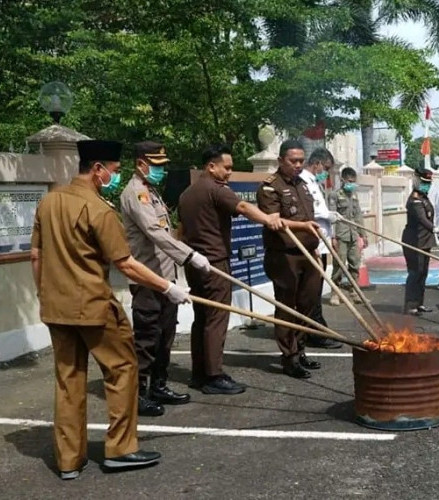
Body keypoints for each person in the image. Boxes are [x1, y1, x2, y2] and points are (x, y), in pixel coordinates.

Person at [30, 140, 191, 479]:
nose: (116, 177)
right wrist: (168, 287)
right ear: (98, 169)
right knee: (122, 369)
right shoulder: (100, 210)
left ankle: (69, 460)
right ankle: (121, 448)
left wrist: (44, 294)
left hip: (55, 307)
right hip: (92, 307)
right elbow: (127, 264)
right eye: (115, 172)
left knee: (68, 380)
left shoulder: (48, 202)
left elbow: (36, 256)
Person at [178, 144, 285, 394]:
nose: (229, 172)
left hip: (194, 263)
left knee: (201, 319)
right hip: (215, 264)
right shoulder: (216, 189)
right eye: (226, 167)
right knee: (216, 320)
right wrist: (269, 219)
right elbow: (244, 208)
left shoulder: (187, 193)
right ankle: (214, 376)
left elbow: (180, 231)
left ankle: (199, 373)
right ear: (211, 166)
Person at [120, 142, 210, 417]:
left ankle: (158, 385)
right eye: (155, 165)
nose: (160, 169)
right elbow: (155, 233)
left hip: (165, 277)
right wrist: (190, 255)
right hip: (148, 279)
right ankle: (138, 394)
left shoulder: (151, 191)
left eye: (162, 164)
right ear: (140, 163)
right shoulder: (135, 193)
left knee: (165, 336)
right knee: (147, 339)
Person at [256, 139, 323, 379]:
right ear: (281, 161)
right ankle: (289, 357)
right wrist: (303, 226)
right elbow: (274, 221)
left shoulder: (303, 184)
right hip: (284, 256)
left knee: (307, 304)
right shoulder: (270, 187)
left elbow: (309, 218)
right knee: (287, 307)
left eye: (301, 161)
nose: (298, 165)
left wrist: (312, 241)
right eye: (293, 161)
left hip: (308, 254)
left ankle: (300, 349)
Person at [298, 147, 342, 349]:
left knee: (316, 289)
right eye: (325, 168)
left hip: (321, 241)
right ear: (316, 163)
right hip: (312, 242)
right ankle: (314, 331)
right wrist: (326, 215)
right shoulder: (303, 180)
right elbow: (309, 211)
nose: (325, 172)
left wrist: (330, 225)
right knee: (311, 290)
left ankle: (316, 328)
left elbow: (321, 209)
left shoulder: (315, 181)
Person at [328, 167, 367, 306]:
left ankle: (354, 291)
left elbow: (358, 216)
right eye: (349, 181)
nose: (351, 184)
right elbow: (331, 217)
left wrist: (364, 235)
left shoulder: (354, 196)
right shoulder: (335, 195)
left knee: (354, 264)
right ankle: (335, 292)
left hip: (353, 235)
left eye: (353, 181)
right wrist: (332, 237)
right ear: (342, 180)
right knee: (339, 265)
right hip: (341, 235)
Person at [402, 169, 435, 316]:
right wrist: (435, 228)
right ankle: (410, 304)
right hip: (414, 241)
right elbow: (422, 219)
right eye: (424, 183)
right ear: (417, 181)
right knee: (415, 273)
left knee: (423, 273)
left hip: (425, 241)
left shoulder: (423, 197)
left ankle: (419, 303)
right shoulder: (414, 200)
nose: (426, 185)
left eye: (428, 183)